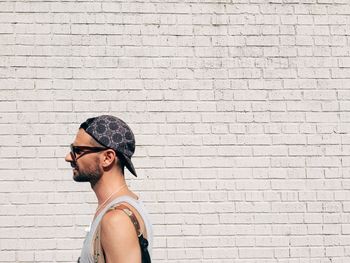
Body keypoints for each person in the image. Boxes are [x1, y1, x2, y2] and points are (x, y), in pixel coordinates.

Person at [65, 115, 152, 263]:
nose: (68, 157)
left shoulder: (116, 220)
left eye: (77, 150)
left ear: (107, 158)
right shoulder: (109, 209)